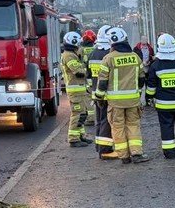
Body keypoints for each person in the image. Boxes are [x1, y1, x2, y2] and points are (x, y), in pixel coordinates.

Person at [95, 26, 149, 164]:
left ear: (111, 43)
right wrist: (137, 91)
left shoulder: (108, 58)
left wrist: (99, 98)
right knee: (133, 126)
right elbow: (142, 78)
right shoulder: (135, 57)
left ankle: (124, 156)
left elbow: (102, 83)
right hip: (132, 101)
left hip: (115, 103)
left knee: (118, 128)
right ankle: (137, 154)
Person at [145, 33, 175, 159]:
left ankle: (170, 153)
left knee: (166, 127)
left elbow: (151, 87)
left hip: (163, 104)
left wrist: (149, 98)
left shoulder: (155, 66)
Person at [60, 31, 93, 147]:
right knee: (77, 114)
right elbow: (78, 72)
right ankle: (73, 139)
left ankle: (80, 136)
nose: (79, 46)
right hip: (75, 91)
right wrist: (87, 70)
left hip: (80, 90)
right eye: (78, 44)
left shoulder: (72, 54)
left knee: (82, 113)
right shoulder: (68, 55)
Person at [88, 26, 115, 156]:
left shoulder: (92, 53)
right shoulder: (108, 55)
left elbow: (89, 76)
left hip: (95, 92)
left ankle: (99, 147)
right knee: (106, 121)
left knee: (98, 120)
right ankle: (105, 150)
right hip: (105, 93)